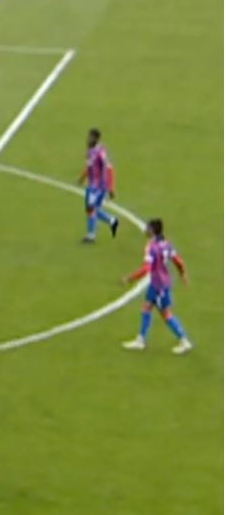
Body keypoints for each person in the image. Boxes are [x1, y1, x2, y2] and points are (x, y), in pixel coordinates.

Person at [122, 218, 192, 354]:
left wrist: (130, 278)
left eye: (148, 228)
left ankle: (184, 340)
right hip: (158, 283)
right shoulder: (167, 244)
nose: (145, 230)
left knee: (166, 314)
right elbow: (178, 261)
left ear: (153, 230)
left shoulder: (152, 247)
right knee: (146, 307)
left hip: (160, 285)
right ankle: (141, 340)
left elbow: (146, 269)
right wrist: (183, 274)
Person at [77, 128, 119, 242]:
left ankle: (91, 235)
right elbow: (89, 167)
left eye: (91, 137)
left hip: (98, 187)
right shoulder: (90, 151)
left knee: (91, 208)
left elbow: (109, 168)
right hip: (92, 185)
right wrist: (81, 178)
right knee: (92, 209)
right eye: (88, 136)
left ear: (96, 138)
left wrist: (110, 187)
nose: (88, 139)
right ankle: (112, 220)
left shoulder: (100, 152)